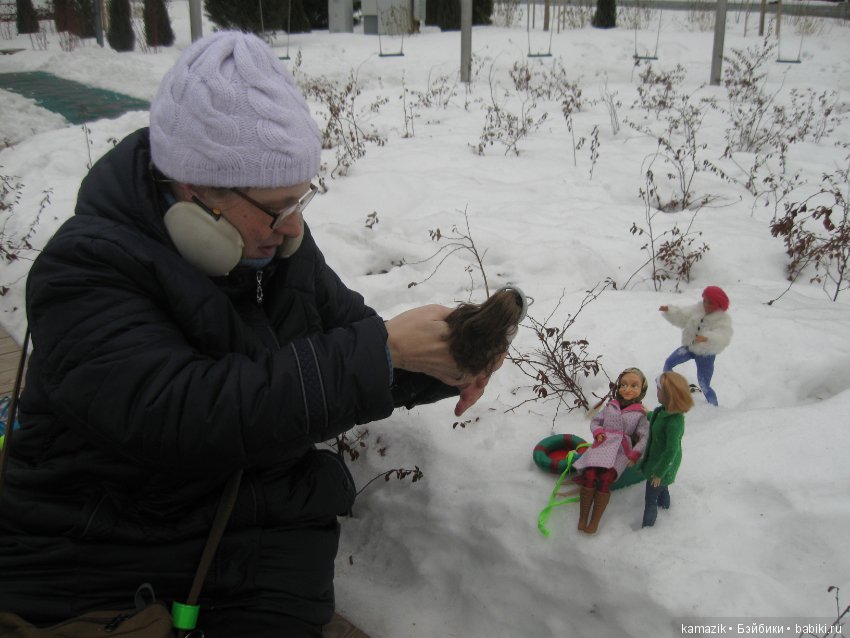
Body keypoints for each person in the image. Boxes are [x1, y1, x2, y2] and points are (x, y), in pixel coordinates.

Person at [0, 32, 503, 638]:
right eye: (274, 207)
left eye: (299, 202)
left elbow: (347, 342)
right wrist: (382, 350)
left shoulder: (275, 245)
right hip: (100, 544)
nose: (291, 227)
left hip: (255, 535)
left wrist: (445, 357)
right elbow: (180, 414)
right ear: (195, 193)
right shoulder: (83, 272)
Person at [572, 367, 650, 534]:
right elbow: (595, 422)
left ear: (642, 389)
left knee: (606, 479)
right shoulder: (610, 406)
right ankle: (583, 517)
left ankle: (594, 521)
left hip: (621, 451)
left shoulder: (640, 414)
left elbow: (644, 437)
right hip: (602, 445)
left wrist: (635, 454)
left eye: (634, 386)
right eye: (623, 385)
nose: (627, 389)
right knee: (590, 475)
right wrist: (599, 432)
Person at [659, 285, 733, 406]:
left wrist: (708, 338)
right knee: (669, 363)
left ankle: (714, 406)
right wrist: (669, 311)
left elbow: (723, 336)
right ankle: (669, 386)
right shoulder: (698, 310)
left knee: (704, 384)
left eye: (710, 302)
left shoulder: (722, 320)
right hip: (690, 347)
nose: (706, 304)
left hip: (706, 354)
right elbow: (682, 316)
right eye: (705, 300)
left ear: (719, 304)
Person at [638, 371, 694, 528]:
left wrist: (658, 474)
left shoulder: (674, 422)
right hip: (659, 462)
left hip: (662, 466)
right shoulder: (665, 411)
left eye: (658, 389)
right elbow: (657, 419)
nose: (656, 392)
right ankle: (666, 508)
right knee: (663, 490)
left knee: (650, 499)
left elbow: (671, 450)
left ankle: (647, 527)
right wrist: (647, 413)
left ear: (669, 395)